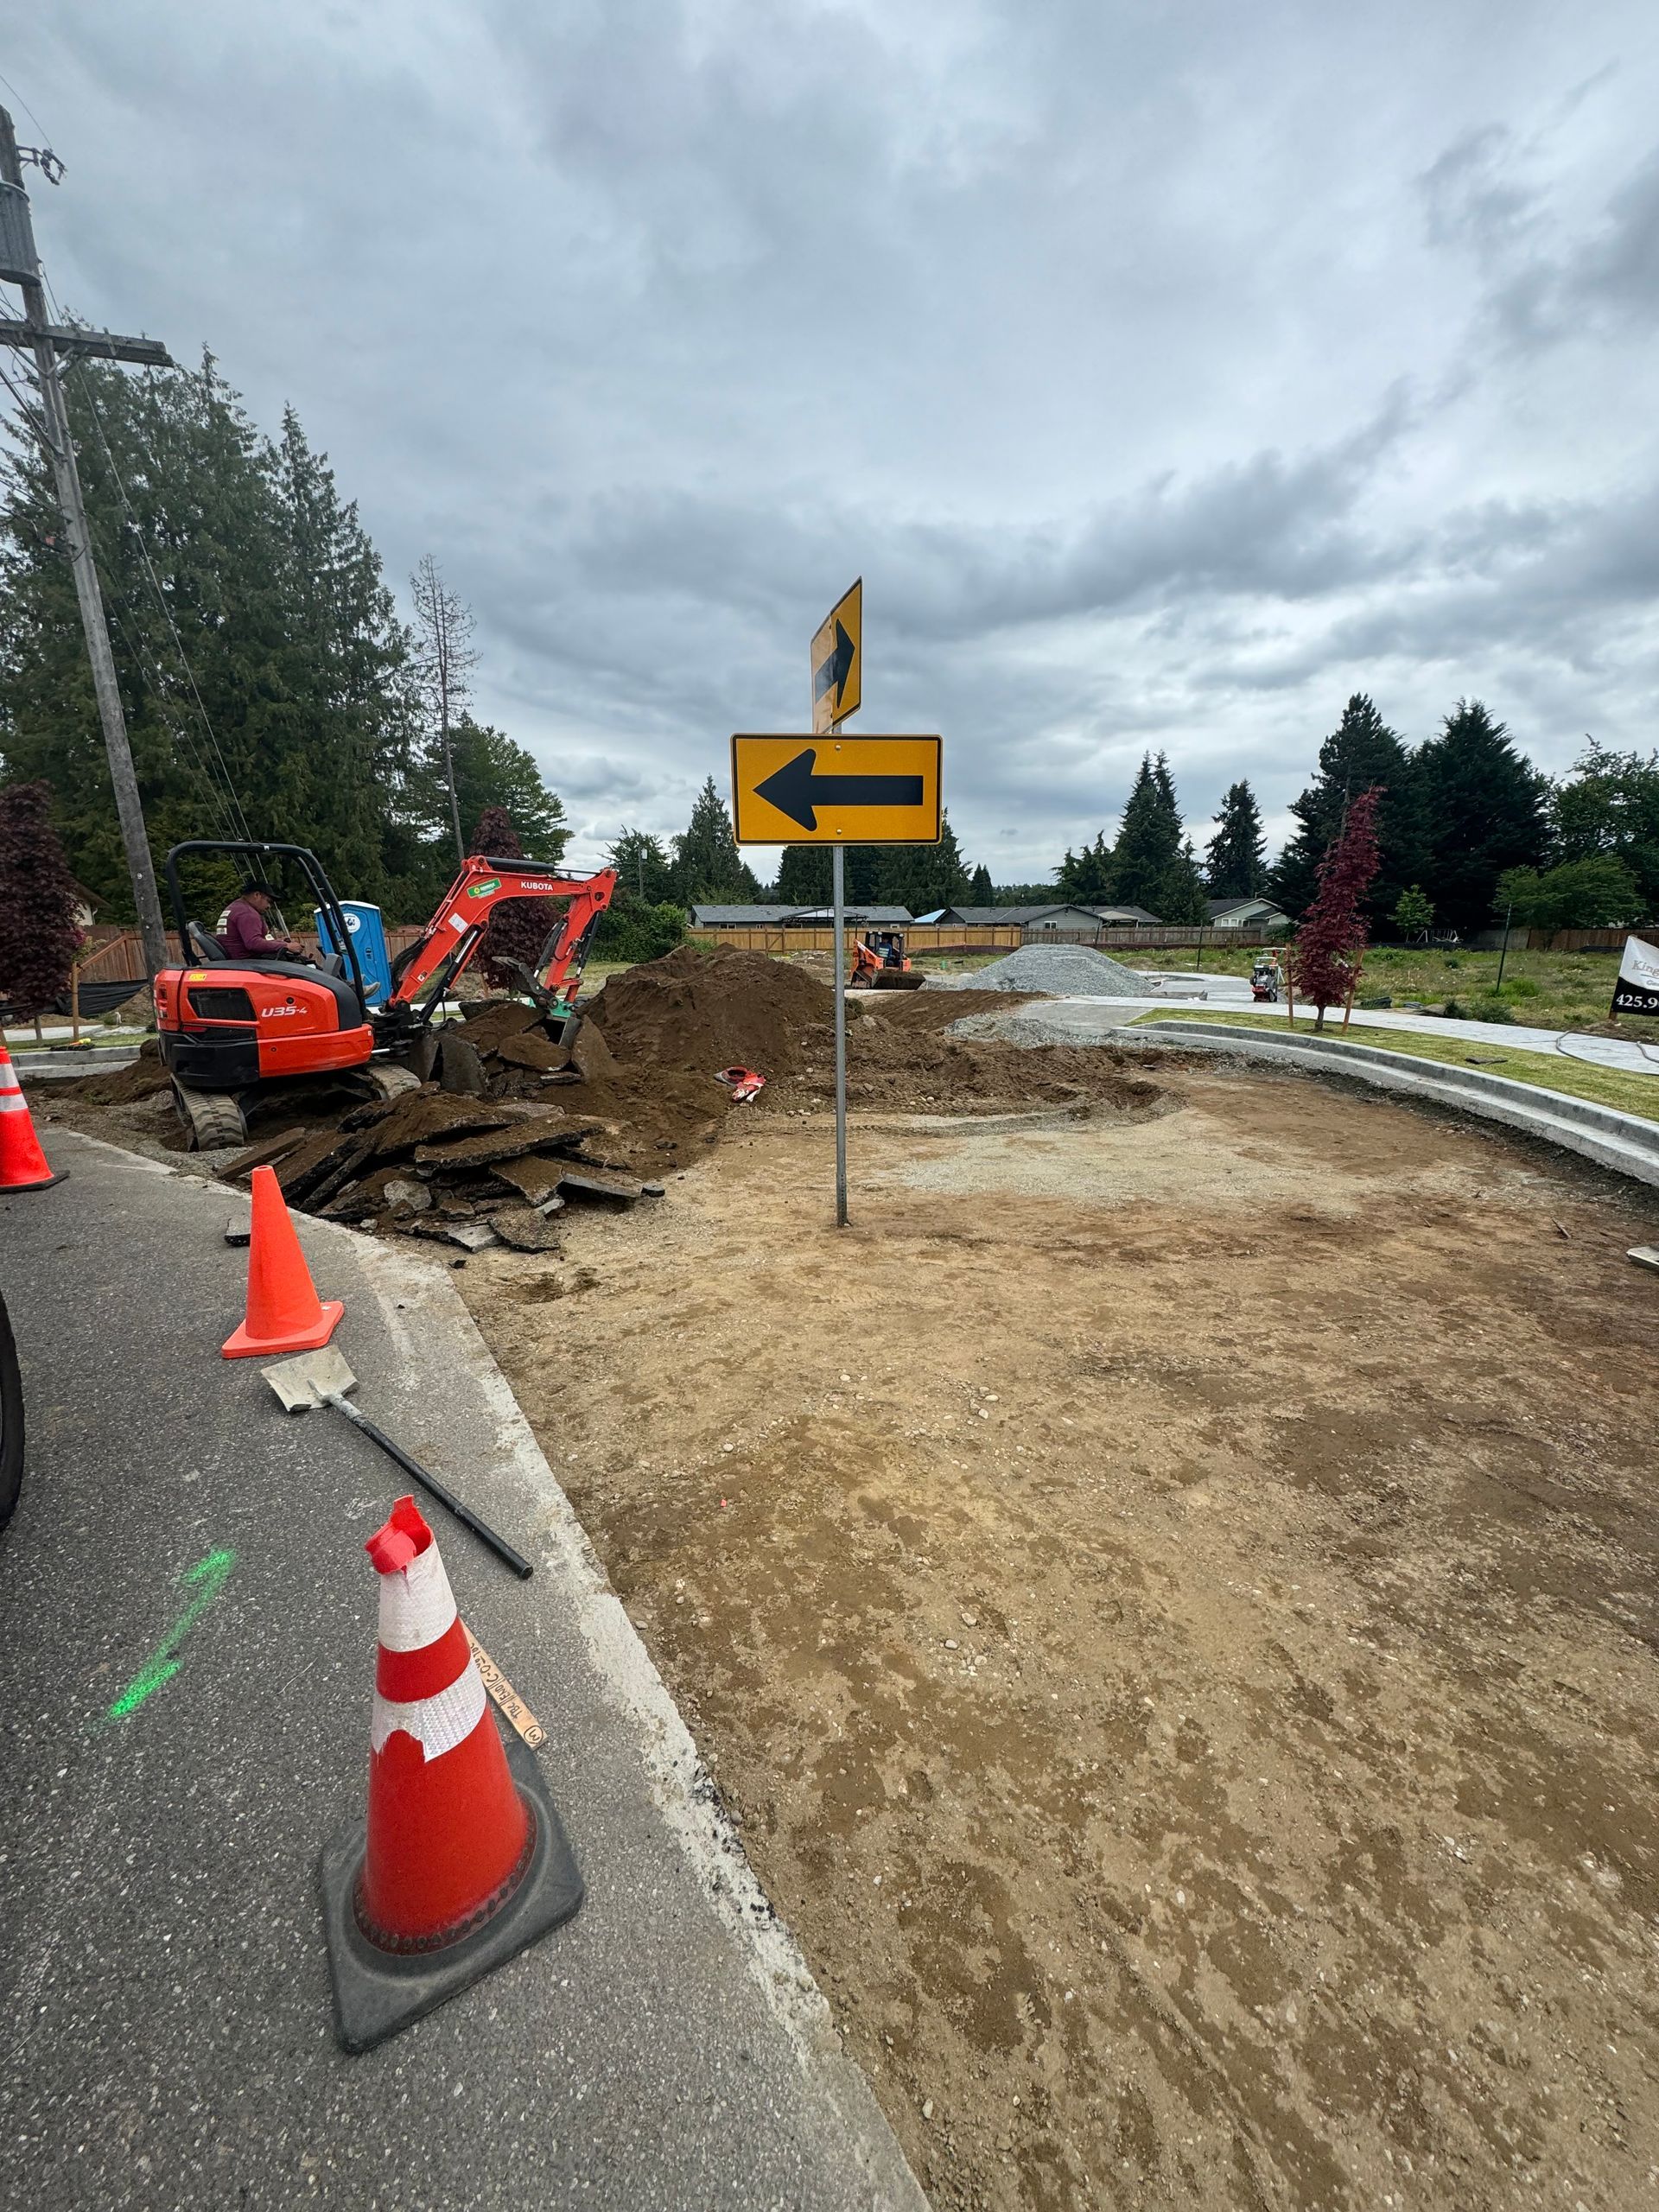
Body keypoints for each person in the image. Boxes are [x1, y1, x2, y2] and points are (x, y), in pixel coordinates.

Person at [221, 880, 303, 962]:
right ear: (257, 895)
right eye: (268, 901)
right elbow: (254, 943)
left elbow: (246, 940)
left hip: (235, 961)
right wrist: (286, 946)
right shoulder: (248, 913)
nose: (269, 906)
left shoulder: (234, 907)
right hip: (247, 963)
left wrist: (277, 943)